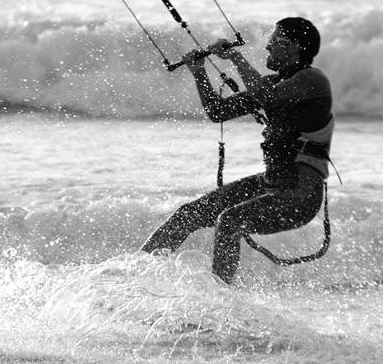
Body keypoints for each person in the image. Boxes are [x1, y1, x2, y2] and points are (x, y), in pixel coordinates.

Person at [140, 17, 334, 284]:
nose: (268, 46)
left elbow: (269, 98)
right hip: (272, 185)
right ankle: (136, 275)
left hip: (300, 195)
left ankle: (221, 298)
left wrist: (236, 59)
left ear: (294, 46)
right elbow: (218, 111)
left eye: (274, 40)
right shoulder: (273, 82)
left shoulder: (312, 80)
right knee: (188, 214)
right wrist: (199, 72)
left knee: (229, 221)